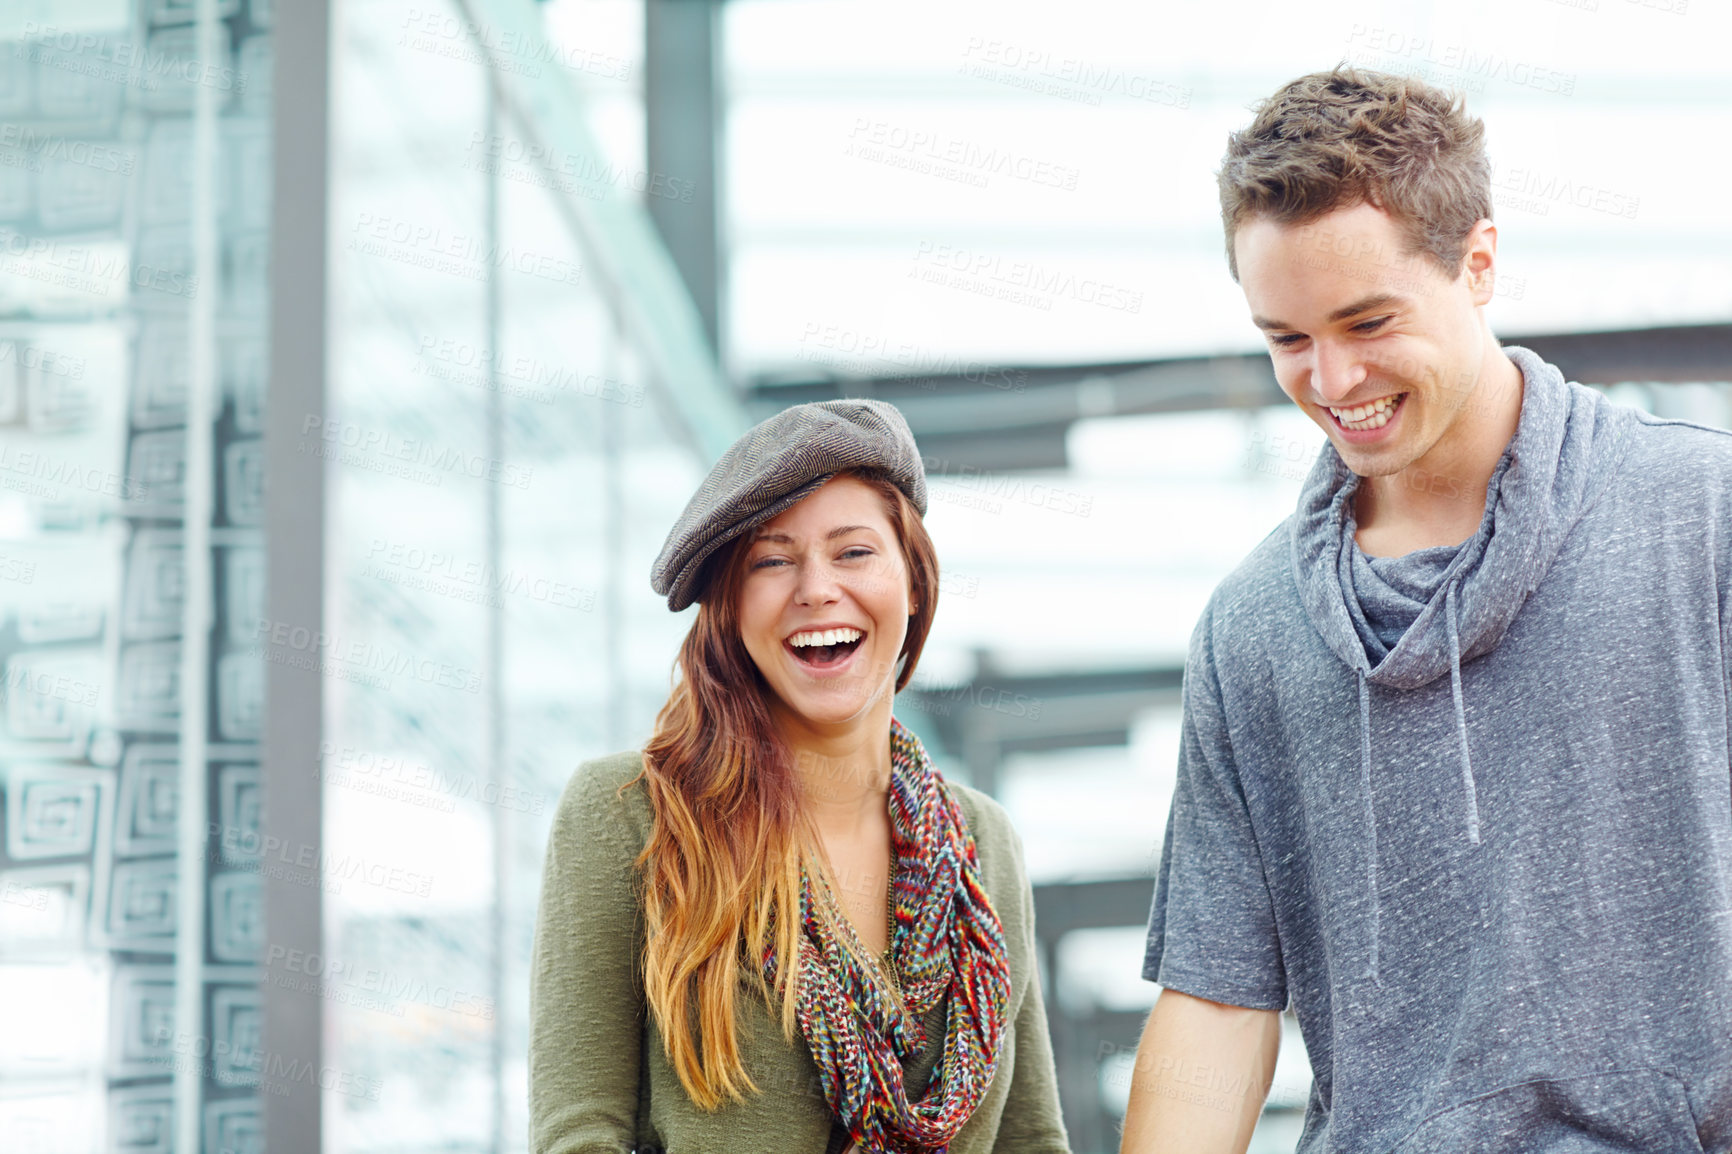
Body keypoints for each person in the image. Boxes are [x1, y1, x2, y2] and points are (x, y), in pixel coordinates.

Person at [1119, 67, 1732, 1153]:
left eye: (1366, 320)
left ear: (1478, 262)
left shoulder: (1700, 516)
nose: (1331, 376)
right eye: (1286, 338)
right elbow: (1214, 1002)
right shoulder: (1251, 629)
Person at [529, 398, 1071, 1154]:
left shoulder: (983, 843)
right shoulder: (627, 816)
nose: (816, 588)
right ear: (733, 608)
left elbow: (1031, 1141)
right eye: (773, 561)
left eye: (853, 553)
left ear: (911, 585)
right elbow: (578, 1134)